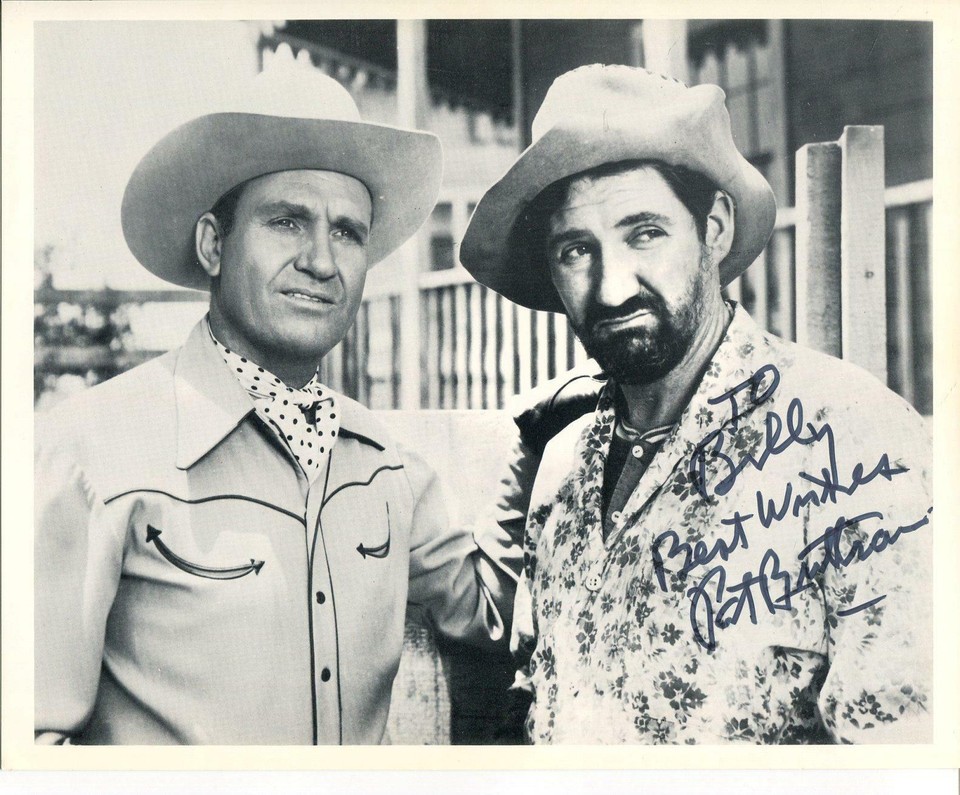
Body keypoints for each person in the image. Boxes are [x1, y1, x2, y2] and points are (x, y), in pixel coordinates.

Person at [34, 62, 516, 745]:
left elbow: (496, 615)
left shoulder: (388, 467)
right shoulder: (91, 453)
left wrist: (540, 440)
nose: (321, 259)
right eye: (287, 221)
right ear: (213, 244)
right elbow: (30, 747)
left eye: (347, 231)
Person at [460, 64, 932, 744]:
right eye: (576, 249)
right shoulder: (559, 467)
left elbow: (904, 758)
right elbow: (541, 700)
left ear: (713, 229)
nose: (612, 286)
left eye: (644, 233)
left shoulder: (855, 442)